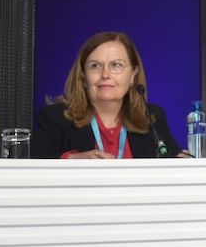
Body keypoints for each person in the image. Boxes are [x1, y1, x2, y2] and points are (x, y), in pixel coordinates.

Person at [32, 31, 182, 159]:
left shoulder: (151, 118)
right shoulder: (54, 119)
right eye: (95, 66)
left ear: (133, 75)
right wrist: (71, 160)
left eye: (116, 65)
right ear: (83, 76)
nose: (105, 74)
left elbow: (172, 158)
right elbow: (30, 165)